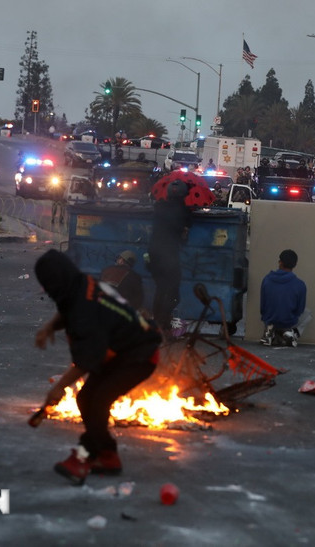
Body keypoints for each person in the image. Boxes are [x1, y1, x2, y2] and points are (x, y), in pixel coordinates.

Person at [34, 249, 162, 485]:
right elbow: (68, 308)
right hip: (122, 351)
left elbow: (87, 359)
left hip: (140, 355)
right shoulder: (81, 284)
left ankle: (84, 457)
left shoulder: (85, 309)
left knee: (98, 401)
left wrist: (59, 387)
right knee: (86, 398)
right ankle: (108, 455)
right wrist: (50, 327)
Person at [148, 179, 192, 335]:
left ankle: (158, 321)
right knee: (173, 293)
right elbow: (184, 234)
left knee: (161, 288)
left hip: (153, 253)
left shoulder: (158, 207)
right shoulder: (183, 211)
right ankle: (162, 322)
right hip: (168, 255)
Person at [260, 249, 310, 347]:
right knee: (308, 314)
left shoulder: (267, 280)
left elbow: (263, 306)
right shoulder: (300, 284)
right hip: (288, 320)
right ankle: (289, 332)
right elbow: (300, 309)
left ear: (280, 262)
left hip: (269, 318)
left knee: (270, 314)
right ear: (295, 265)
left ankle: (270, 331)